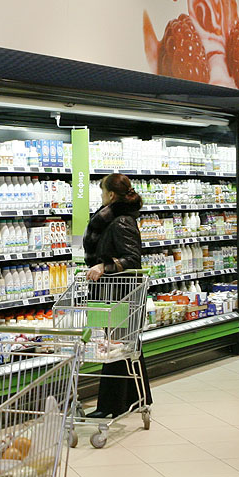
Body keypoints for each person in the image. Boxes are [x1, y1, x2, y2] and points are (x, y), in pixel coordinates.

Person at [83, 172, 152, 419]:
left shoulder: (121, 221)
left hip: (121, 293)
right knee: (126, 347)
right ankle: (137, 398)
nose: (101, 196)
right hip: (114, 291)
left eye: (103, 191)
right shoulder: (112, 219)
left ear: (111, 195)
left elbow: (132, 259)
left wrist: (105, 266)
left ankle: (110, 406)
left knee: (116, 348)